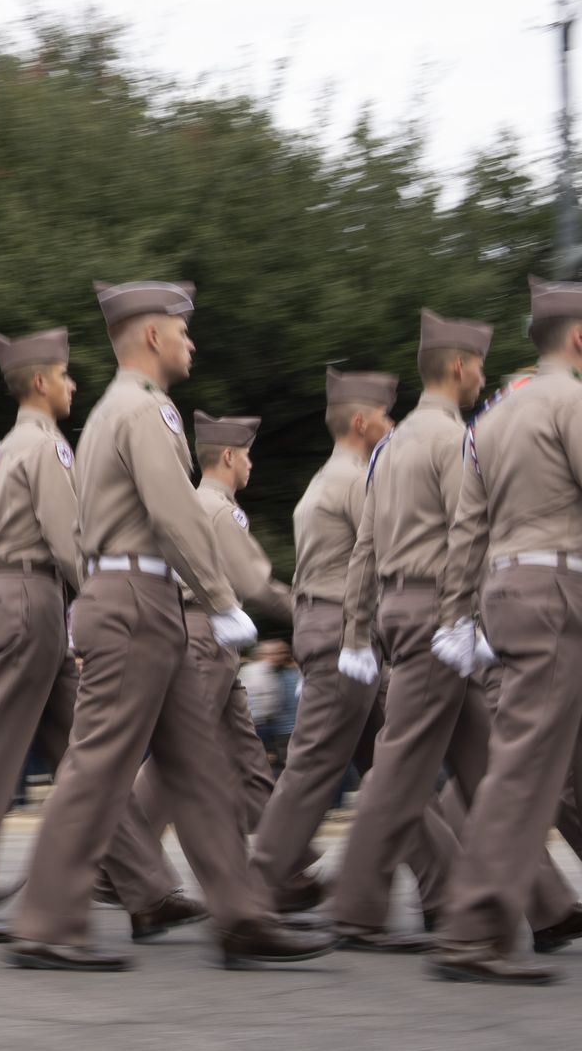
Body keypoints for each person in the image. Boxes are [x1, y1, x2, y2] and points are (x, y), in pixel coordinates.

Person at [6, 280, 332, 971]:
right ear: (152, 336)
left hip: (137, 599)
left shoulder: (106, 413)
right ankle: (44, 923)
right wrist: (220, 596)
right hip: (135, 601)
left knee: (202, 770)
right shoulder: (148, 410)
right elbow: (172, 509)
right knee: (97, 768)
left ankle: (240, 915)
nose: (192, 342)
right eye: (183, 330)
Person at [332, 308, 582, 956]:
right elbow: (474, 528)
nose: (480, 376)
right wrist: (454, 614)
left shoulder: (413, 441)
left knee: (492, 760)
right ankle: (369, 907)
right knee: (422, 765)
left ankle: (546, 905)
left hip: (430, 607)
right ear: (460, 366)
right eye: (475, 365)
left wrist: (365, 627)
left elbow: (372, 546)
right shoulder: (450, 436)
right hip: (460, 605)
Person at [0, 327, 177, 944]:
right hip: (37, 600)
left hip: (17, 601)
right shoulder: (48, 449)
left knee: (83, 752)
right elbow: (69, 544)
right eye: (65, 375)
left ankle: (146, 889)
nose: (73, 384)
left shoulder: (7, 448)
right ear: (40, 381)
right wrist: (100, 606)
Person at [249, 368, 451, 915]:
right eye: (385, 416)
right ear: (361, 422)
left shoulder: (322, 481)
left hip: (328, 627)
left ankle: (443, 886)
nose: (392, 426)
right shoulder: (361, 481)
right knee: (315, 766)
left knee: (394, 771)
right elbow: (389, 555)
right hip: (347, 633)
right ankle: (257, 886)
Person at [428, 279, 582, 982]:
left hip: (509, 589)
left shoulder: (491, 419)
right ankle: (474, 930)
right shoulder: (572, 401)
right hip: (560, 591)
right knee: (523, 770)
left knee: (534, 762)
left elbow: (467, 530)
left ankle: (479, 922)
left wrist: (459, 614)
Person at [116, 413, 291, 913]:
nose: (252, 464)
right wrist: (315, 611)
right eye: (249, 455)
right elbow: (255, 583)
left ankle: (281, 866)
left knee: (247, 757)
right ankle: (130, 867)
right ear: (231, 457)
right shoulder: (220, 509)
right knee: (180, 760)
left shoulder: (197, 503)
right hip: (207, 639)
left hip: (208, 640)